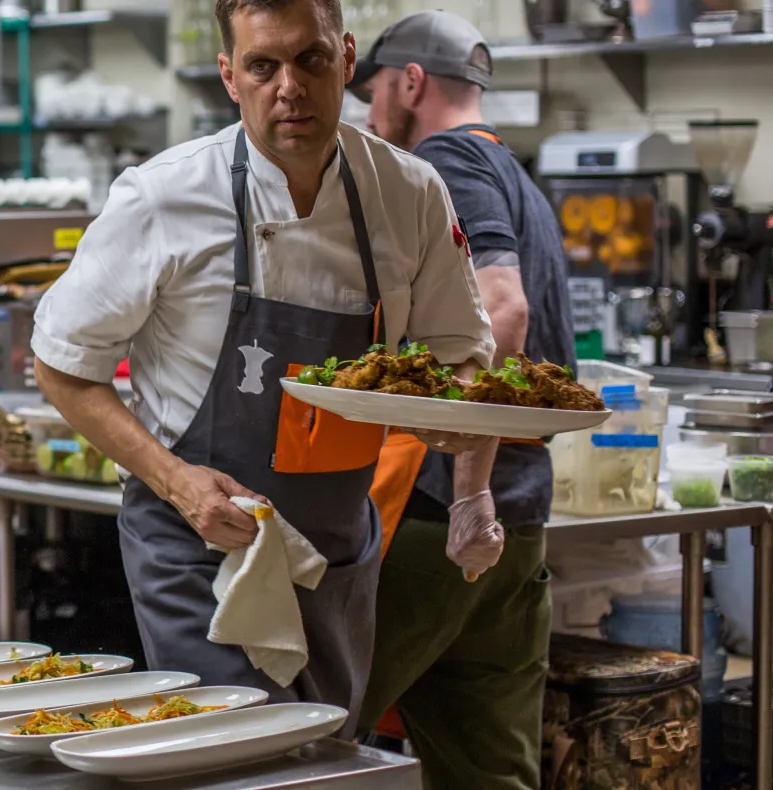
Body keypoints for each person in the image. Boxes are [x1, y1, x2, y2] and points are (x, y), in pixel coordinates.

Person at [29, 0, 498, 727]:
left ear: (345, 59)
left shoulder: (408, 192)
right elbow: (61, 364)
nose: (290, 86)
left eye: (310, 59)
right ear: (229, 75)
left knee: (323, 758)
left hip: (339, 545)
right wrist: (177, 483)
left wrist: (461, 448)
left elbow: (462, 358)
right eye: (262, 65)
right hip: (200, 545)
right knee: (232, 755)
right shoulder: (164, 196)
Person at [349, 12, 575, 789]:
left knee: (308, 738)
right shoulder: (519, 179)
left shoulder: (445, 160)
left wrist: (468, 490)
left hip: (439, 519)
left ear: (411, 82)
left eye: (374, 90)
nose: (369, 111)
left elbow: (502, 307)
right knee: (490, 772)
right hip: (518, 524)